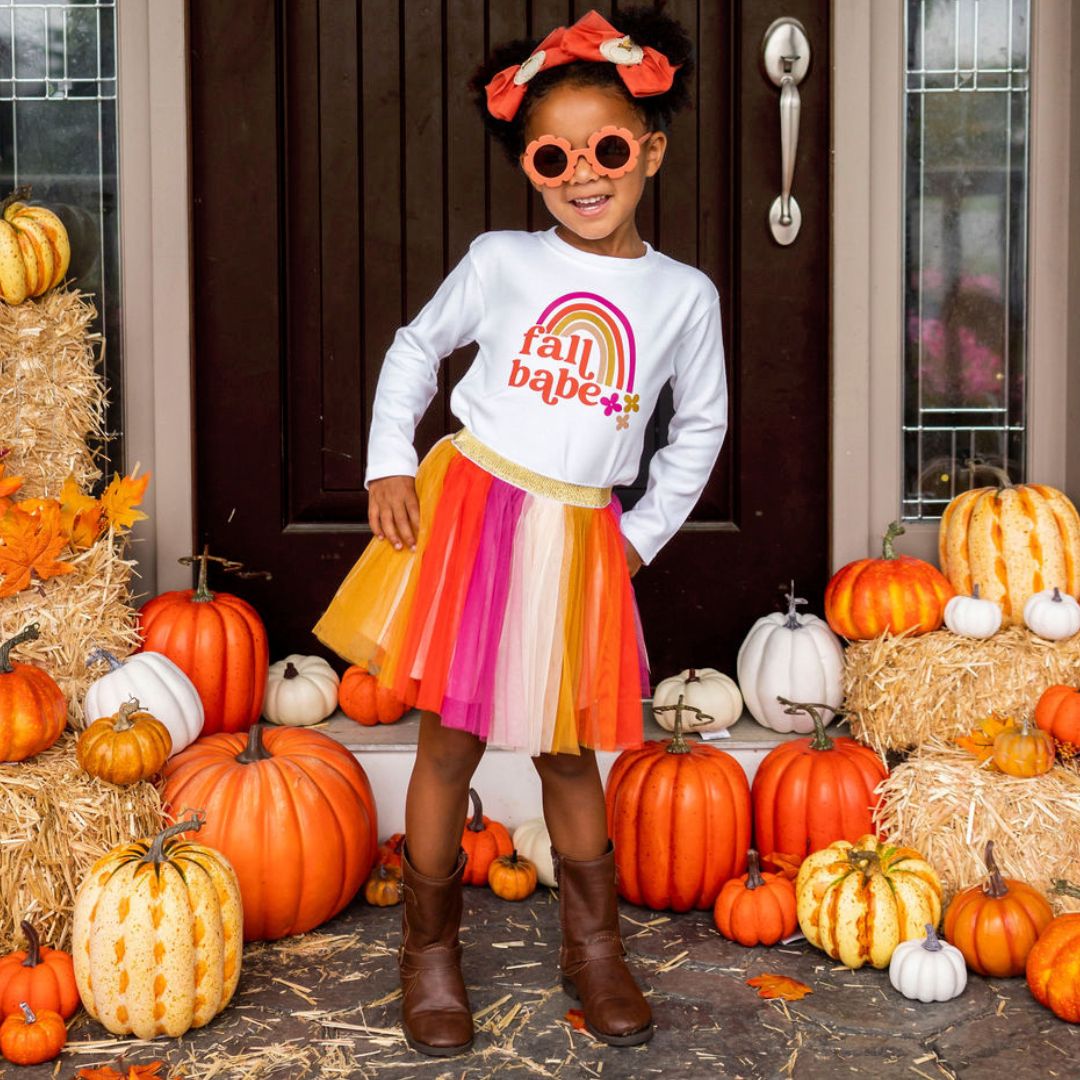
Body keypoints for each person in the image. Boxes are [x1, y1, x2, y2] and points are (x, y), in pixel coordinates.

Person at [313, 6, 727, 1057]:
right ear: (534, 171)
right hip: (472, 517)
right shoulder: (502, 260)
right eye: (556, 156)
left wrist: (638, 537)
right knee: (448, 741)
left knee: (566, 753)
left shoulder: (682, 297)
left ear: (652, 152)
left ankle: (595, 951)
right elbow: (417, 350)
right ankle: (431, 954)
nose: (585, 175)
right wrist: (389, 459)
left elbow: (702, 427)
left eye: (610, 149)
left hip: (581, 536)